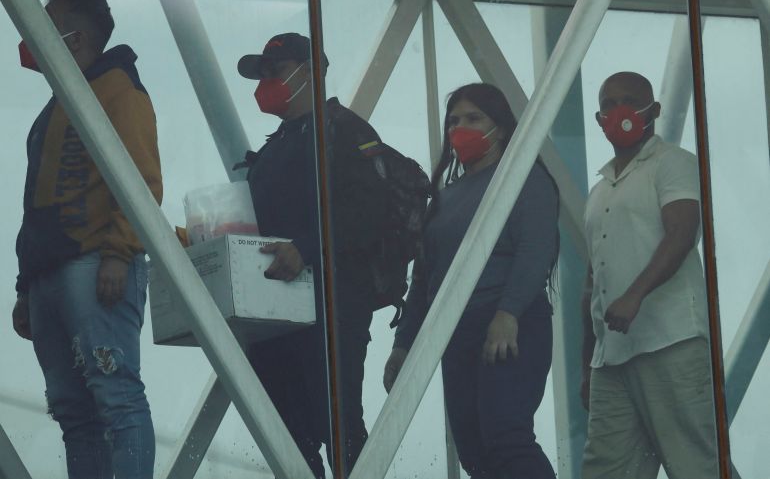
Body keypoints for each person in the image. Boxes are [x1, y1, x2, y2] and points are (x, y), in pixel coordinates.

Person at [10, 0, 162, 479]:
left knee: (116, 395)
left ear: (72, 38)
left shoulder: (121, 91)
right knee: (73, 410)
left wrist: (119, 253)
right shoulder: (61, 103)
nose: (28, 37)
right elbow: (37, 200)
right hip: (49, 273)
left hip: (95, 263)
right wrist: (24, 286)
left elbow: (142, 179)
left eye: (43, 24)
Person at [384, 83, 559, 479]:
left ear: (500, 125)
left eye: (474, 118)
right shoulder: (444, 198)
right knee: (473, 446)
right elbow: (425, 278)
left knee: (506, 435)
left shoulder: (524, 179)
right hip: (455, 333)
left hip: (508, 324)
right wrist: (403, 343)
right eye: (454, 120)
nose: (461, 128)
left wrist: (508, 313)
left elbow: (536, 251)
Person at [237, 32, 388, 478]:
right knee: (285, 433)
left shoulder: (345, 132)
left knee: (337, 425)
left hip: (333, 307)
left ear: (312, 73)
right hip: (274, 313)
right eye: (261, 75)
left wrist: (305, 248)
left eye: (276, 72)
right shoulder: (276, 145)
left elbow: (369, 212)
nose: (266, 84)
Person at [580, 72, 718, 479]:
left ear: (653, 110)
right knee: (606, 468)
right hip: (613, 357)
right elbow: (593, 280)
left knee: (694, 462)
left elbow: (681, 234)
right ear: (598, 117)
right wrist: (588, 362)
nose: (618, 111)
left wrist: (635, 295)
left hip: (670, 339)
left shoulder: (672, 163)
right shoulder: (600, 191)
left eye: (629, 100)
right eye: (609, 104)